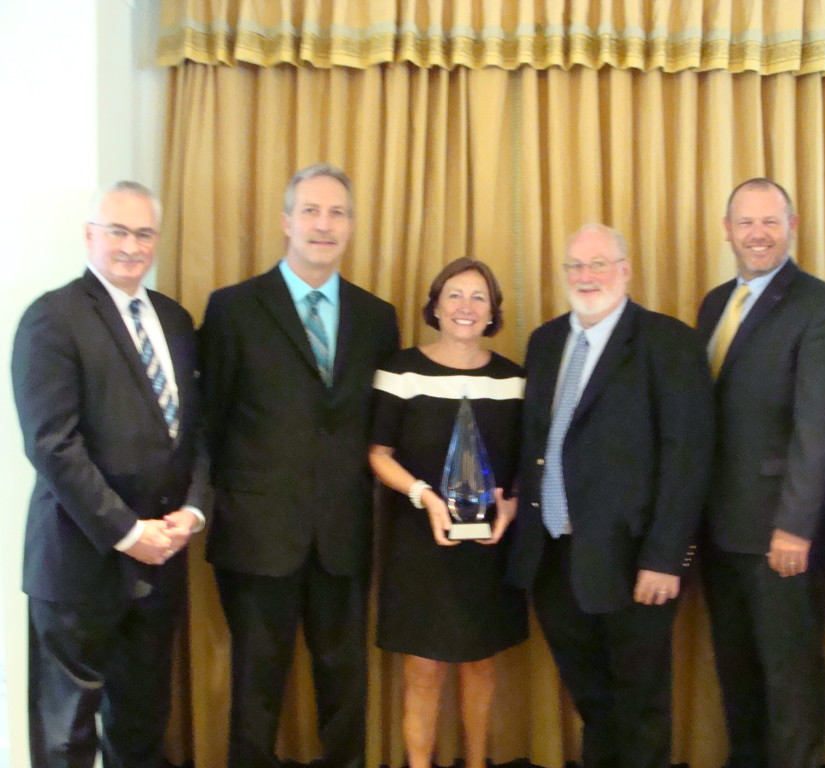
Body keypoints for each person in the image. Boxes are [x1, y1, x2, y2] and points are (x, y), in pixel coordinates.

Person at [200, 163, 399, 768]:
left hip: (342, 532)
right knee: (257, 684)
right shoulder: (233, 309)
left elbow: (379, 427)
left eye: (337, 212)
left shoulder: (376, 317)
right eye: (311, 211)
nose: (324, 224)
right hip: (258, 534)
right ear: (287, 222)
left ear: (353, 227)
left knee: (345, 683)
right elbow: (211, 421)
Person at [12, 180, 210, 768]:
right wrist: (128, 531)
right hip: (78, 564)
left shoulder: (174, 320)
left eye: (144, 233)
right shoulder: (53, 318)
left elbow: (196, 432)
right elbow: (52, 445)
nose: (131, 245)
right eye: (118, 231)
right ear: (90, 236)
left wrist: (193, 511)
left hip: (161, 564)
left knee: (142, 726)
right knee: (64, 735)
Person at [507, 223, 714, 768]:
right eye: (575, 266)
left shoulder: (669, 342)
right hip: (553, 557)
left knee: (640, 703)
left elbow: (687, 457)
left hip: (634, 561)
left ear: (625, 270)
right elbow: (537, 442)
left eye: (600, 264)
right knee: (592, 702)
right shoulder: (546, 342)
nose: (587, 276)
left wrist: (666, 557)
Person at [695, 178, 825, 768]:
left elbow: (821, 429)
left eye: (769, 222)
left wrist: (795, 526)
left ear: (792, 227)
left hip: (781, 537)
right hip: (721, 531)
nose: (756, 234)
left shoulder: (822, 305)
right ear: (727, 229)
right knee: (738, 681)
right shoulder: (716, 303)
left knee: (791, 684)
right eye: (745, 222)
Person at [368, 257, 528, 768]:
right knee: (423, 668)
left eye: (478, 296)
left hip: (489, 547)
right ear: (435, 306)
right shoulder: (399, 371)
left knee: (481, 666)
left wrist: (512, 503)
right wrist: (425, 496)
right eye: (454, 295)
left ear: (493, 312)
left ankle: (476, 762)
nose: (465, 306)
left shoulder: (515, 380)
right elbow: (378, 454)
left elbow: (528, 461)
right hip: (419, 542)